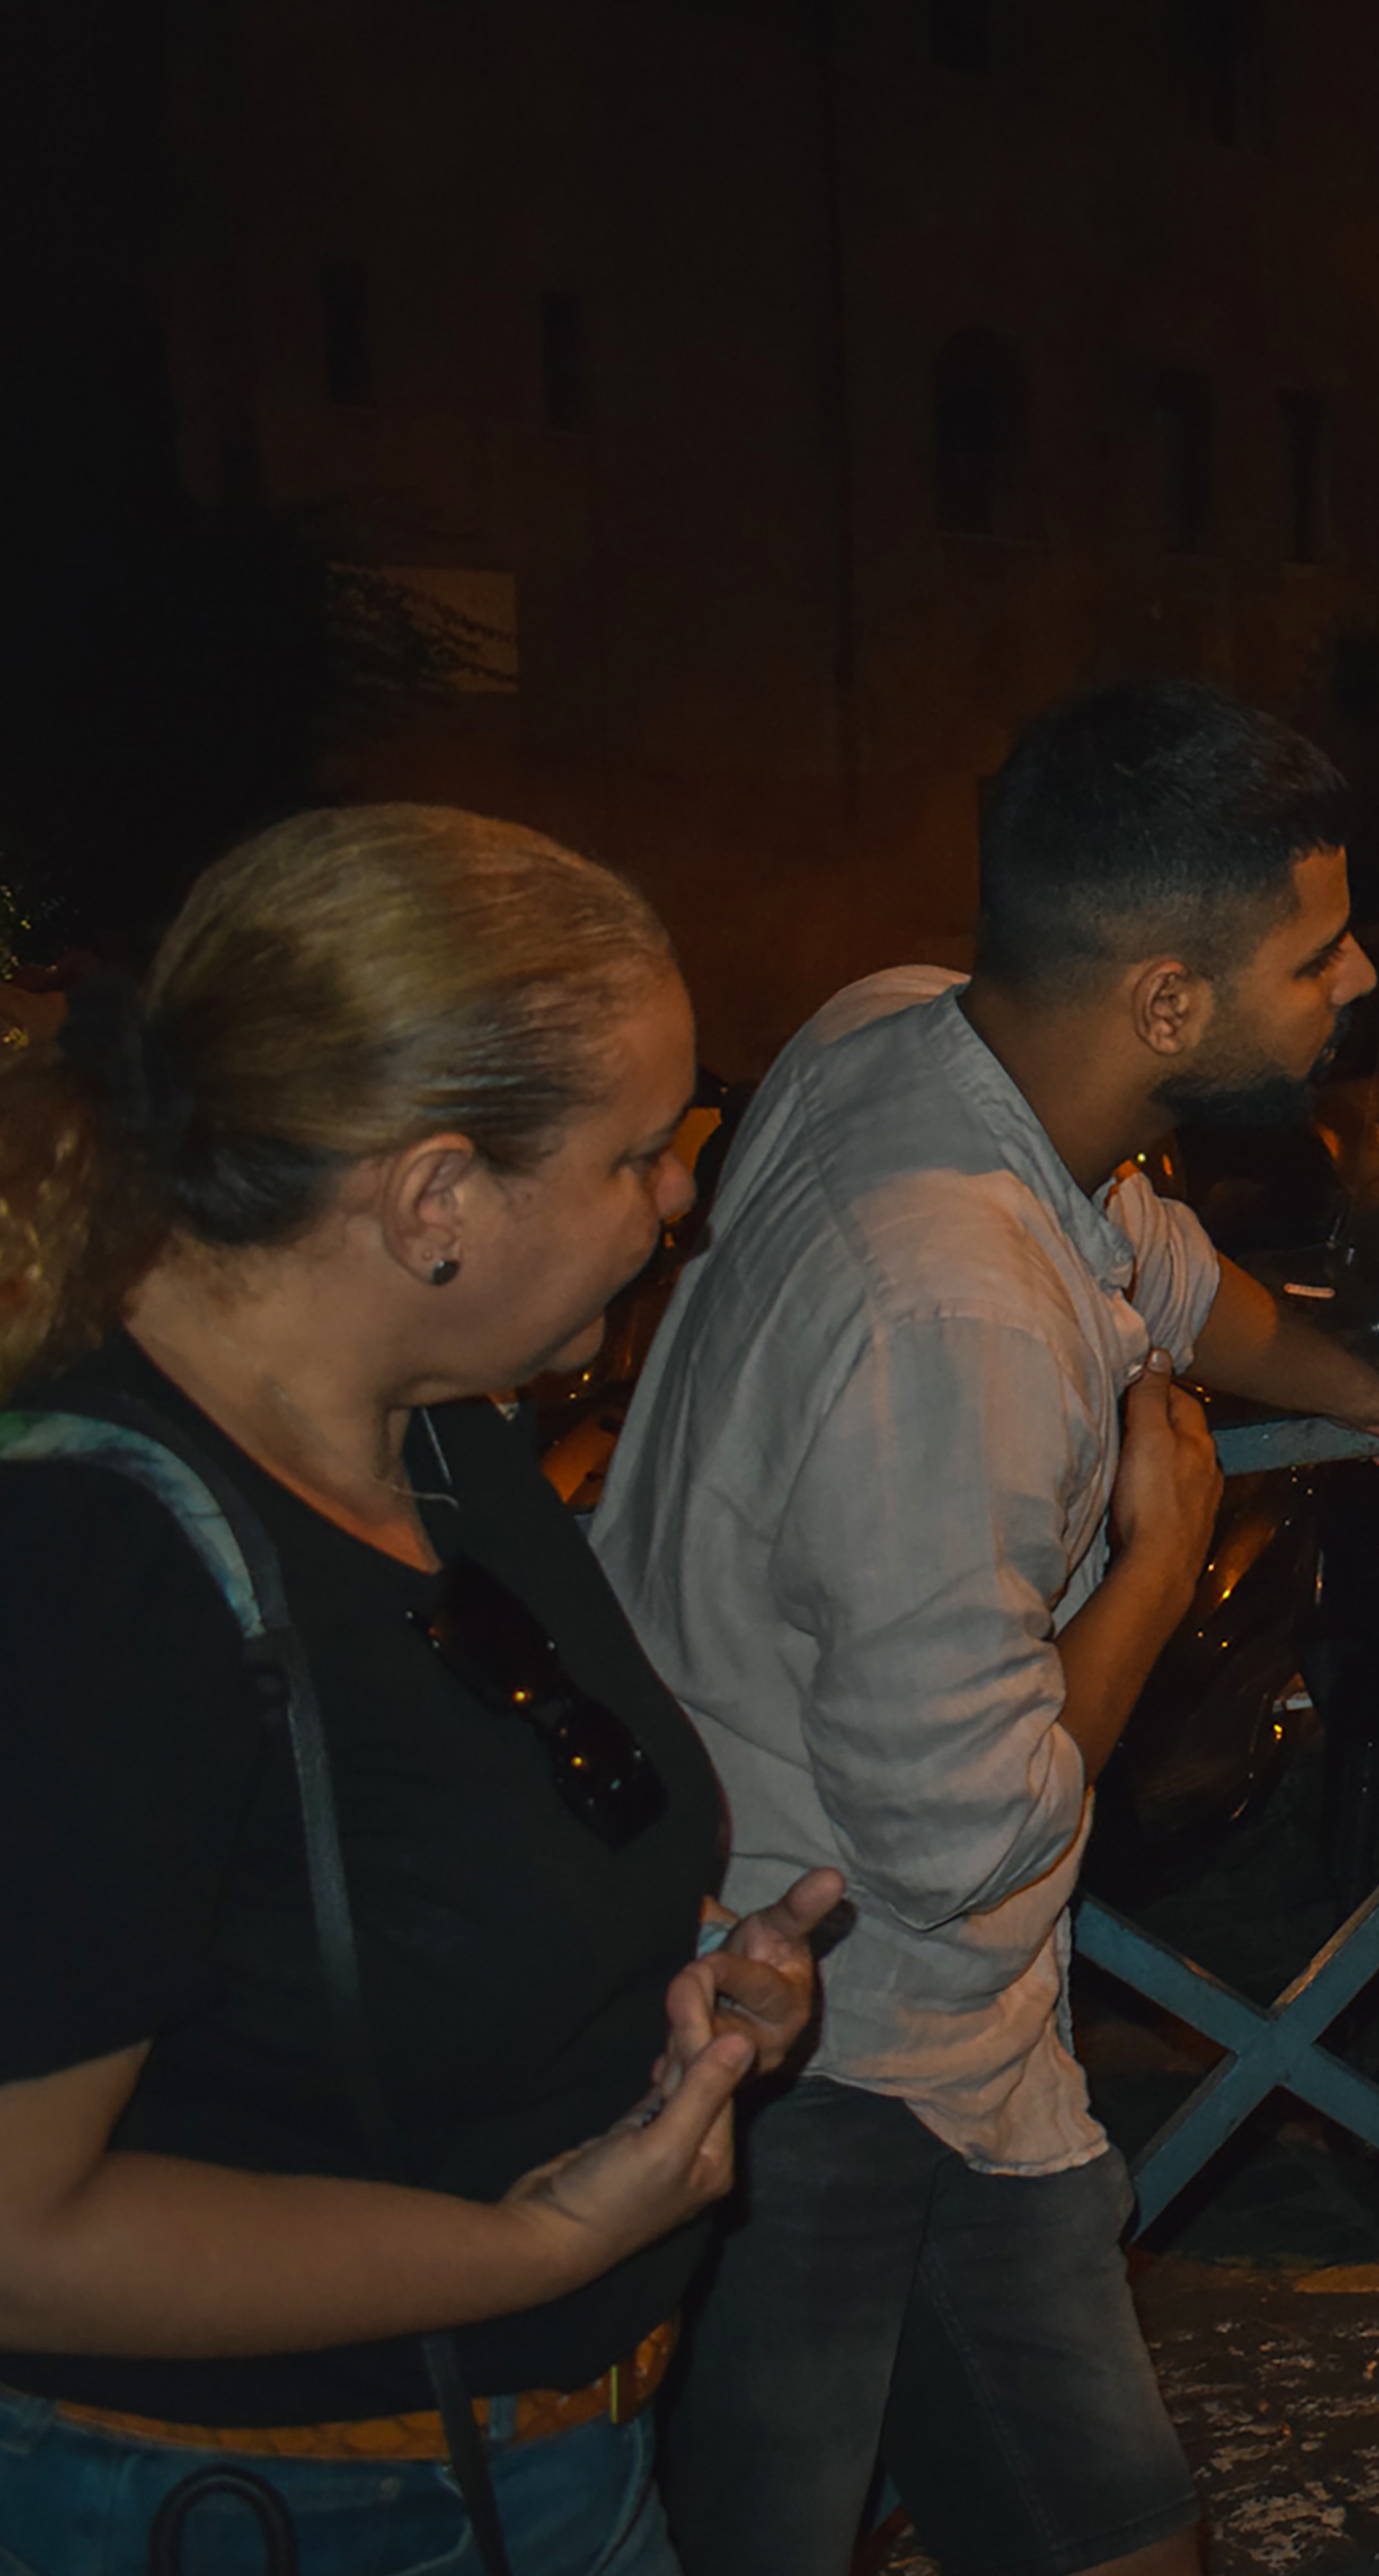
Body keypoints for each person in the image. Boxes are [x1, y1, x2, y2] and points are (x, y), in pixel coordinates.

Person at [595, 682, 1379, 2576]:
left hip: (955, 2054)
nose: (1355, 977)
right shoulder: (957, 1310)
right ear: (1168, 1001)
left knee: (1108, 2532)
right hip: (815, 2058)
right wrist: (1158, 1563)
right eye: (1315, 948)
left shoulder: (899, 1029)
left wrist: (1355, 1376)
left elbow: (1156, 1262)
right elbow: (964, 1829)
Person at [0, 805, 838, 2576]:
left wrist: (679, 1996)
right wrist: (533, 2246)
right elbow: (22, 2229)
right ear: (436, 1194)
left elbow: (420, 1871)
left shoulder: (443, 1428)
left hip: (551, 2466)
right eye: (637, 1155)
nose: (679, 1201)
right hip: (259, 2508)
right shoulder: (92, 1557)